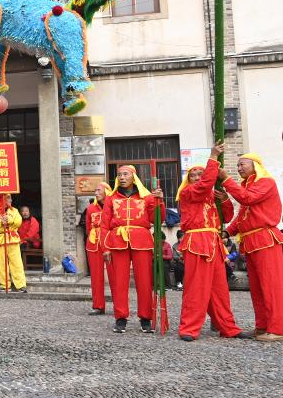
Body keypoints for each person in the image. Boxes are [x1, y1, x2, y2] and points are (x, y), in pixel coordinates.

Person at [176, 144, 246, 341]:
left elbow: (227, 217)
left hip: (214, 243)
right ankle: (189, 328)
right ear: (188, 180)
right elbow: (204, 185)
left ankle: (228, 327)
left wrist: (224, 200)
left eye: (201, 174)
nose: (198, 177)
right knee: (195, 286)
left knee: (219, 288)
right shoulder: (188, 193)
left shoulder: (209, 194)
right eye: (194, 175)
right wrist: (213, 156)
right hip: (197, 241)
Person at [221, 152, 283, 342]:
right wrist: (227, 232)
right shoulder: (246, 185)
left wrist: (225, 179)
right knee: (256, 288)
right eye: (238, 165)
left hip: (265, 239)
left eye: (242, 164)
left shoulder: (266, 182)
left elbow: (247, 199)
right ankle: (263, 326)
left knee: (272, 286)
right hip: (250, 242)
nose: (239, 168)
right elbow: (242, 217)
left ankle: (278, 329)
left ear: (255, 165)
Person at [102, 165, 164, 334]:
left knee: (144, 280)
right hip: (118, 241)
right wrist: (105, 247)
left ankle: (146, 318)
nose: (122, 177)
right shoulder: (110, 198)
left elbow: (157, 219)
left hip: (141, 240)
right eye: (119, 175)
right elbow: (104, 224)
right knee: (119, 281)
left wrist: (159, 201)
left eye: (125, 174)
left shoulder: (147, 197)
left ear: (134, 177)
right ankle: (120, 318)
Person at [80, 183, 111, 315]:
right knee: (96, 276)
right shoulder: (90, 208)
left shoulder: (114, 206)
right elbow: (87, 227)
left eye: (99, 190)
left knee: (115, 275)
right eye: (95, 190)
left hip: (111, 243)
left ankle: (120, 307)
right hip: (94, 244)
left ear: (107, 192)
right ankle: (98, 306)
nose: (96, 193)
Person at [0, 194, 27, 293]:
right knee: (2, 264)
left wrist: (9, 220)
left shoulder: (14, 210)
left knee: (17, 263)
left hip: (12, 239)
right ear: (2, 199)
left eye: (10, 198)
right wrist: (0, 223)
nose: (11, 200)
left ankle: (21, 285)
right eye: (8, 198)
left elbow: (19, 222)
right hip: (0, 239)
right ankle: (5, 285)